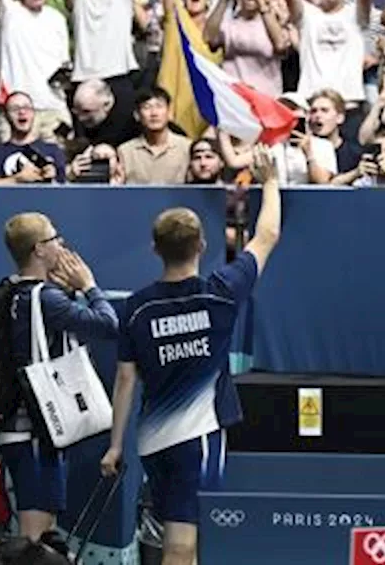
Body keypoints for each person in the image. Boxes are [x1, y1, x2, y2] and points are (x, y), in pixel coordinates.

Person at [101, 144, 282, 565]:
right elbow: (267, 235)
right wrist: (269, 181)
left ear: (154, 249)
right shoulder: (220, 293)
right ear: (202, 244)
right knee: (181, 546)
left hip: (151, 439)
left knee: (181, 540)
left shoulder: (138, 307)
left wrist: (115, 446)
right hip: (195, 438)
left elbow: (126, 379)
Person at [0, 213, 118, 542]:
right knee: (33, 538)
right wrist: (88, 286)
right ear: (39, 249)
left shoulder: (8, 293)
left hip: (16, 431)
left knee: (43, 531)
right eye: (55, 239)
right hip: (35, 432)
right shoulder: (46, 299)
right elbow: (107, 325)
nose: (62, 245)